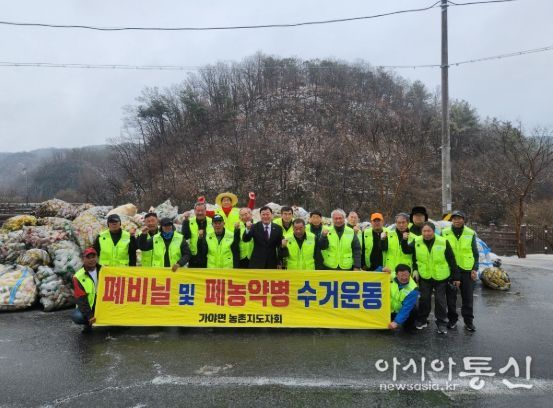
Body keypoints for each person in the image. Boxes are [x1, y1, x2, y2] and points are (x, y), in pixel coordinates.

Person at [400, 222, 460, 334]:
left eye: (429, 231)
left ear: (433, 231)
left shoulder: (443, 241)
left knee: (440, 300)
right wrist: (404, 240)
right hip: (425, 276)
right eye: (424, 231)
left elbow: (452, 260)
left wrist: (456, 277)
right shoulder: (417, 241)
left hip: (441, 276)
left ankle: (441, 323)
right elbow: (406, 250)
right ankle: (422, 320)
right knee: (424, 299)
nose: (426, 233)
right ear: (421, 232)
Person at [442, 210, 478, 332]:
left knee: (468, 298)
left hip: (466, 270)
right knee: (451, 298)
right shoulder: (445, 232)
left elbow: (475, 253)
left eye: (459, 218)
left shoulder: (470, 233)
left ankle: (468, 321)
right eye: (454, 218)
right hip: (451, 270)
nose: (456, 220)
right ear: (451, 220)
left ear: (464, 220)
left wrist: (475, 268)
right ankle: (452, 320)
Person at [71, 247, 101, 332]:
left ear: (97, 257)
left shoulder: (104, 271)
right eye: (88, 257)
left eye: (93, 257)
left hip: (102, 305)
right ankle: (88, 323)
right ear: (83, 259)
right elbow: (81, 299)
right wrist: (89, 316)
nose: (91, 260)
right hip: (89, 306)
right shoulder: (78, 277)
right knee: (78, 317)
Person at [381, 213, 413, 279]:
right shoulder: (388, 235)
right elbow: (383, 249)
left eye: (403, 222)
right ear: (396, 223)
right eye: (399, 223)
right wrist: (382, 240)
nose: (401, 225)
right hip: (389, 270)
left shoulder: (413, 237)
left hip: (406, 271)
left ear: (408, 223)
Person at [388, 264, 419, 331]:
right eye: (401, 275)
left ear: (410, 274)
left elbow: (406, 307)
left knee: (413, 309)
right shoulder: (390, 275)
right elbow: (376, 273)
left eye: (406, 275)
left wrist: (396, 322)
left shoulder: (414, 289)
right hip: (388, 310)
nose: (404, 278)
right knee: (382, 329)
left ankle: (408, 325)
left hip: (401, 310)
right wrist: (381, 269)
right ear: (396, 275)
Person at [181, 202, 212, 268]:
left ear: (205, 211)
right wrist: (185, 221)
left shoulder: (212, 222)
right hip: (194, 257)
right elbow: (185, 236)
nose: (200, 213)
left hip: (209, 255)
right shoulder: (189, 221)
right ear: (194, 211)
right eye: (198, 211)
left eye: (202, 210)